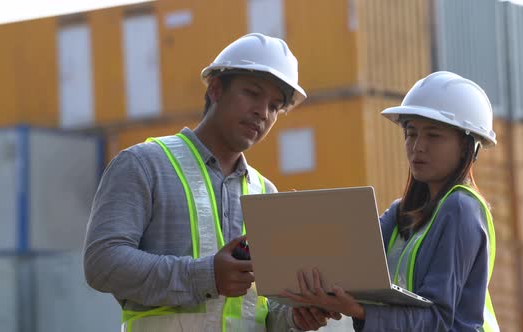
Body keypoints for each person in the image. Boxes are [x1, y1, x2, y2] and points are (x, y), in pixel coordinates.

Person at [83, 33, 339, 331]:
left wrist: (293, 317)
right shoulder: (144, 164)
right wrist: (206, 276)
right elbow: (102, 263)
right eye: (252, 93)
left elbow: (259, 310)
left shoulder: (265, 192)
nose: (262, 112)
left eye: (274, 106)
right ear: (216, 89)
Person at [282, 71, 501, 331]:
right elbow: (348, 261)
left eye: (433, 135)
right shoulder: (401, 214)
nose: (418, 146)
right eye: (411, 133)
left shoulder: (461, 208)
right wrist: (304, 232)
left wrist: (360, 311)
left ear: (466, 147)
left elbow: (440, 321)